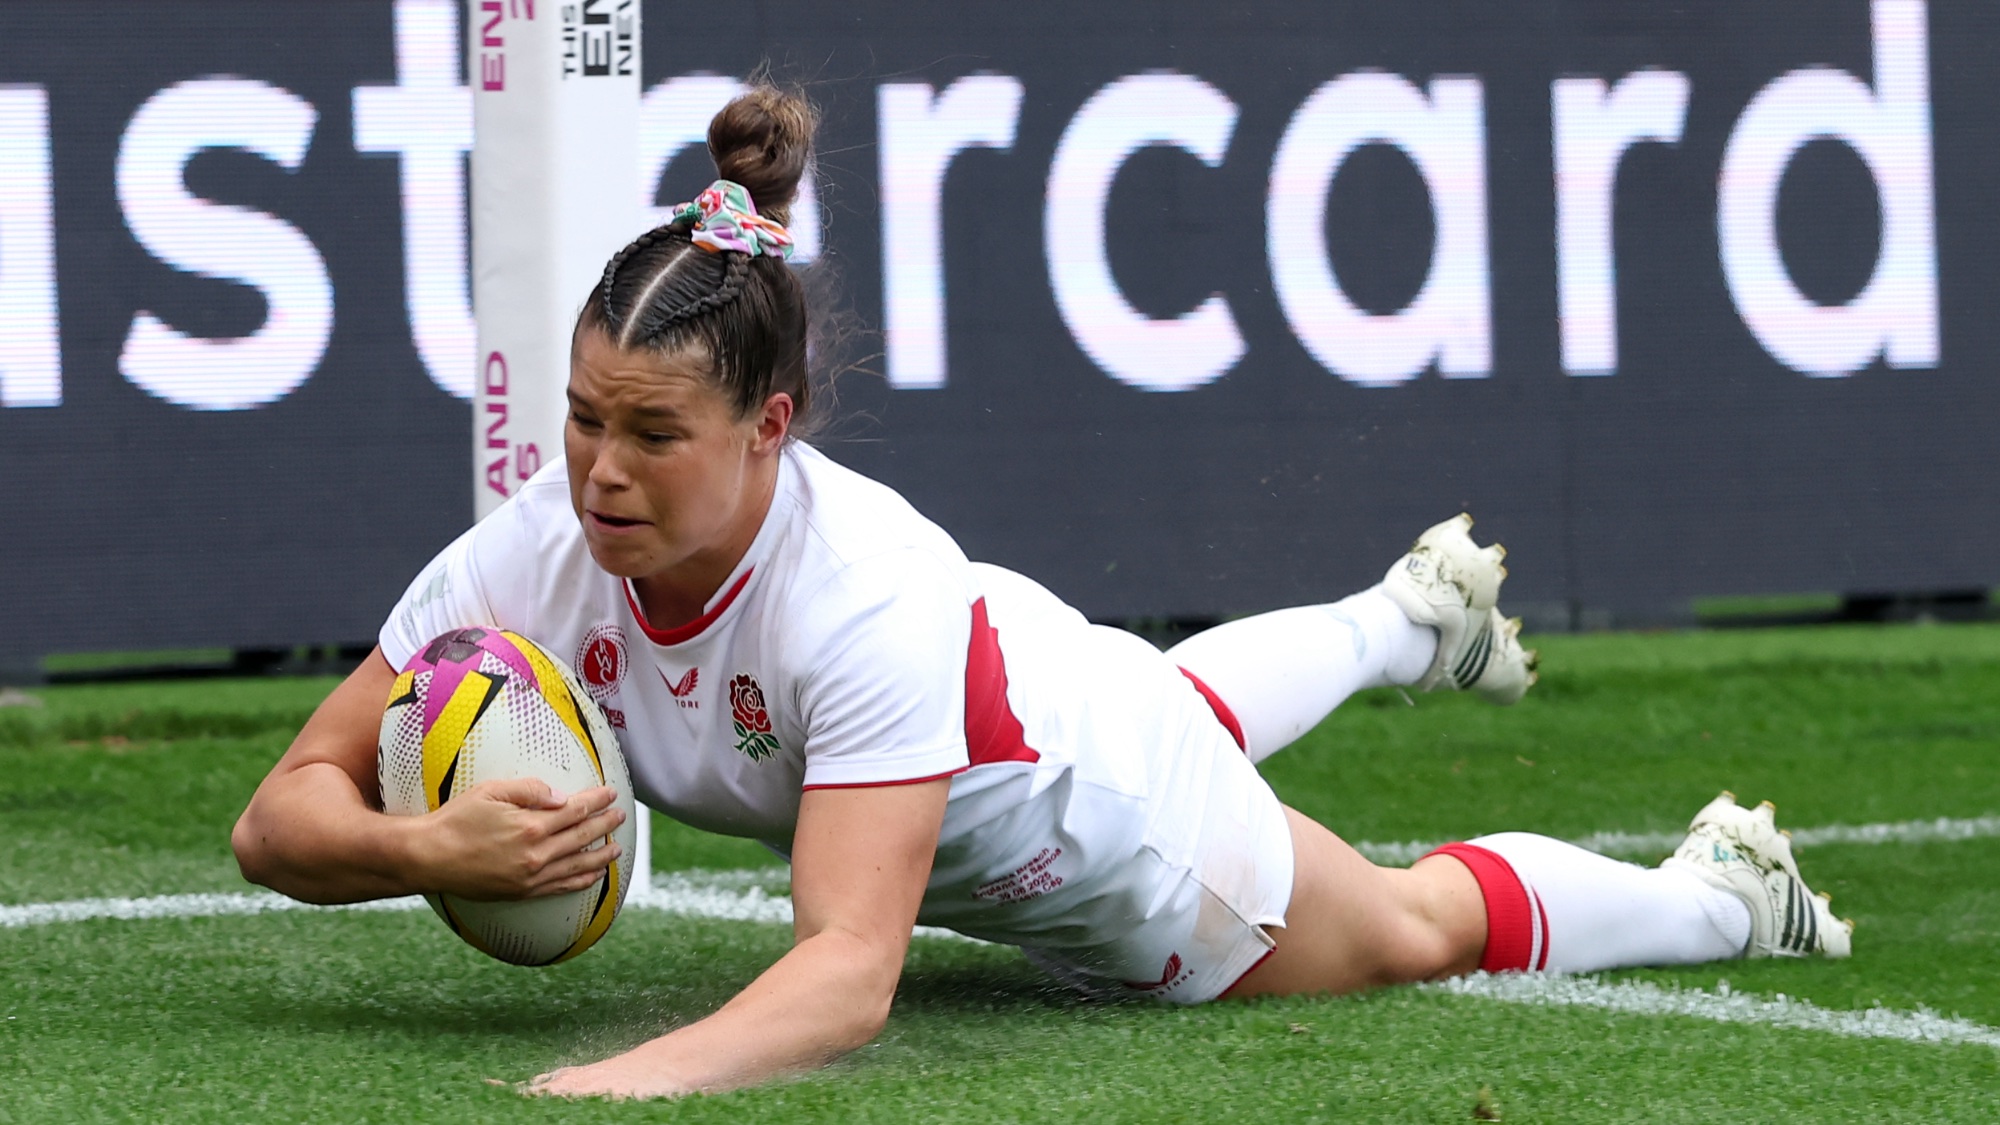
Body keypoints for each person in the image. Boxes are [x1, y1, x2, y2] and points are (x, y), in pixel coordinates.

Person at [231, 86, 1851, 1101]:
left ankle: (1721, 890)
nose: (599, 470)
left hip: (1103, 819)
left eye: (655, 433)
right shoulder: (533, 546)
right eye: (585, 418)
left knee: (1406, 925)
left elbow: (847, 972)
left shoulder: (855, 594)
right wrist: (412, 846)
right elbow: (275, 815)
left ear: (768, 431)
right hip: (1031, 668)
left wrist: (628, 1079)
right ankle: (1400, 620)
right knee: (1184, 699)